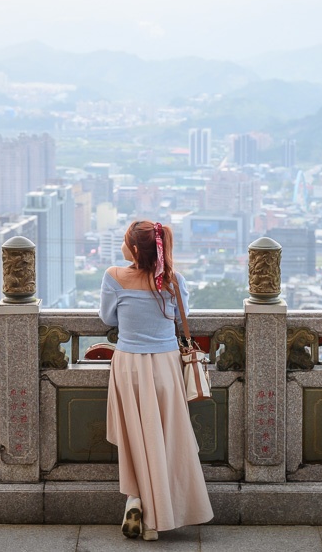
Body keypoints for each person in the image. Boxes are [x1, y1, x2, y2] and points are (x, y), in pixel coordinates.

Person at [100, 220, 214, 541]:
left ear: (134, 249)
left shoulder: (114, 276)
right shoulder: (173, 281)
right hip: (165, 366)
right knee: (164, 440)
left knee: (137, 437)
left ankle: (135, 499)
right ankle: (155, 517)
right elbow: (181, 317)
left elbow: (108, 318)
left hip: (129, 367)